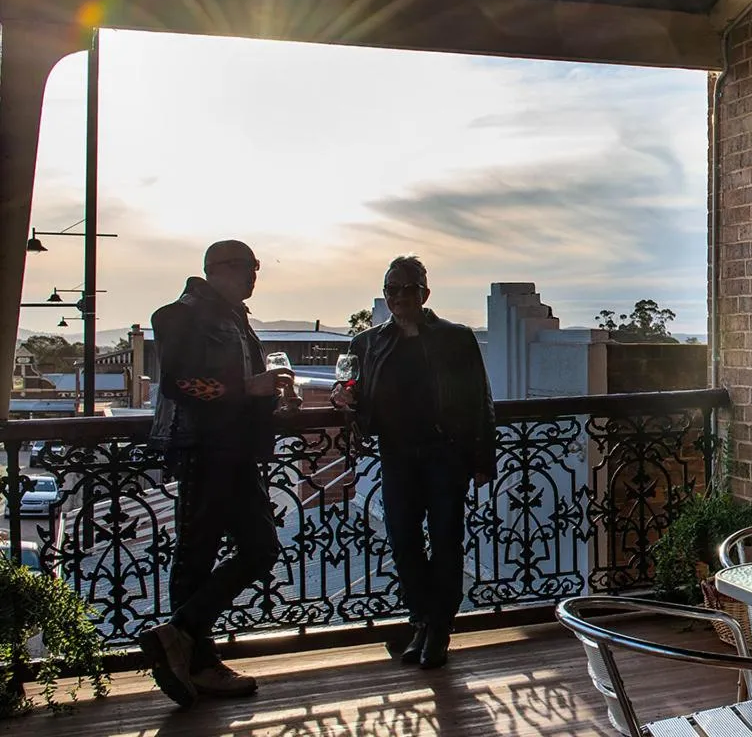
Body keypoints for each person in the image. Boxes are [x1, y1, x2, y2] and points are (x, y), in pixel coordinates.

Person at [140, 240, 295, 707]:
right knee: (198, 555)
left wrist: (269, 394)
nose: (254, 276)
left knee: (254, 549)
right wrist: (248, 387)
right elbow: (179, 382)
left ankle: (182, 638)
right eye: (249, 267)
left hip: (235, 450)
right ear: (219, 269)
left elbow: (235, 388)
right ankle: (199, 661)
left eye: (256, 268)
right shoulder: (179, 315)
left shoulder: (233, 319)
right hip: (204, 450)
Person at [332, 255, 496, 669]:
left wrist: (481, 458)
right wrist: (345, 399)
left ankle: (437, 628)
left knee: (445, 542)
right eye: (392, 289)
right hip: (397, 455)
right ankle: (423, 620)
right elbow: (356, 393)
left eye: (408, 289)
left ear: (424, 293)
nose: (400, 296)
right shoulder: (367, 343)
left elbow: (480, 399)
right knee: (403, 542)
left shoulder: (455, 338)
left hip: (445, 454)